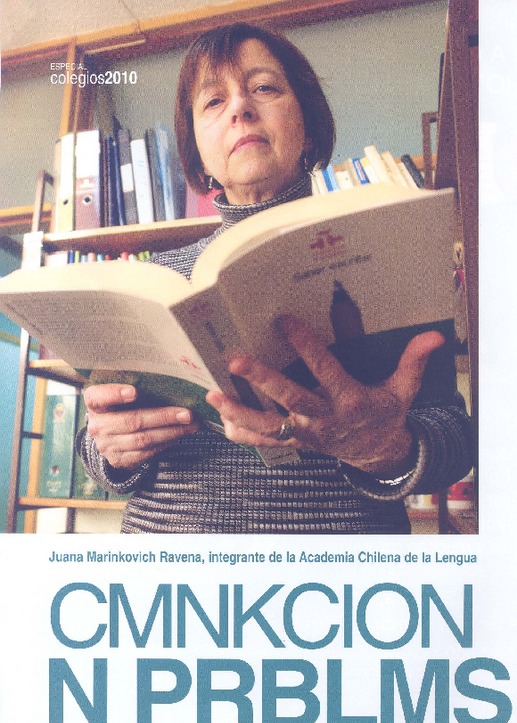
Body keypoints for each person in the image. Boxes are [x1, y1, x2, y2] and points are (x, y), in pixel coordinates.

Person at [77, 22, 473, 534]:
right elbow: (96, 448)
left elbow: (454, 439)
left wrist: (387, 448)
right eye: (213, 101)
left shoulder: (387, 250)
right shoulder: (158, 281)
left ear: (308, 126)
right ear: (197, 153)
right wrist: (108, 447)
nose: (240, 109)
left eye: (264, 88)